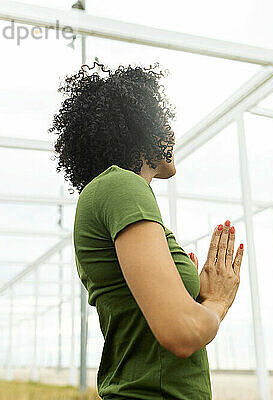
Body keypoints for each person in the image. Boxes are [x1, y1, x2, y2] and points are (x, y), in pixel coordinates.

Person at [49, 62, 243, 400]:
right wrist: (217, 301)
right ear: (141, 129)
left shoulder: (108, 192)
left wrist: (191, 302)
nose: (171, 132)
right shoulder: (122, 186)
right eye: (162, 122)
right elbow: (181, 334)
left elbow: (153, 325)